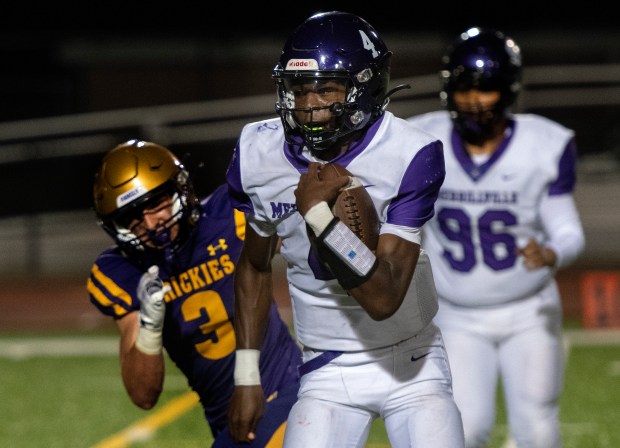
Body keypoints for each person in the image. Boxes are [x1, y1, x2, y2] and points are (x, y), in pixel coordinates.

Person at [225, 11, 464, 448]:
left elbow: (384, 297)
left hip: (411, 364)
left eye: (327, 88)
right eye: (299, 89)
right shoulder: (257, 151)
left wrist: (319, 217)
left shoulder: (411, 153)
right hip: (326, 369)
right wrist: (246, 375)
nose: (310, 104)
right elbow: (255, 267)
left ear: (364, 87)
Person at [407, 27, 586, 447]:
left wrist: (553, 251)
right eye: (465, 88)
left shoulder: (543, 144)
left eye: (485, 89)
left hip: (529, 310)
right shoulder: (420, 139)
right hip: (456, 313)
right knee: (468, 429)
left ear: (507, 91)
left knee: (537, 429)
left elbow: (568, 228)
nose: (473, 99)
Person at [86, 139, 302, 447]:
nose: (150, 223)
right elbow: (143, 395)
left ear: (182, 189)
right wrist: (149, 326)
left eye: (156, 202)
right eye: (132, 217)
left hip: (290, 388)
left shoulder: (232, 214)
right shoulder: (121, 270)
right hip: (231, 423)